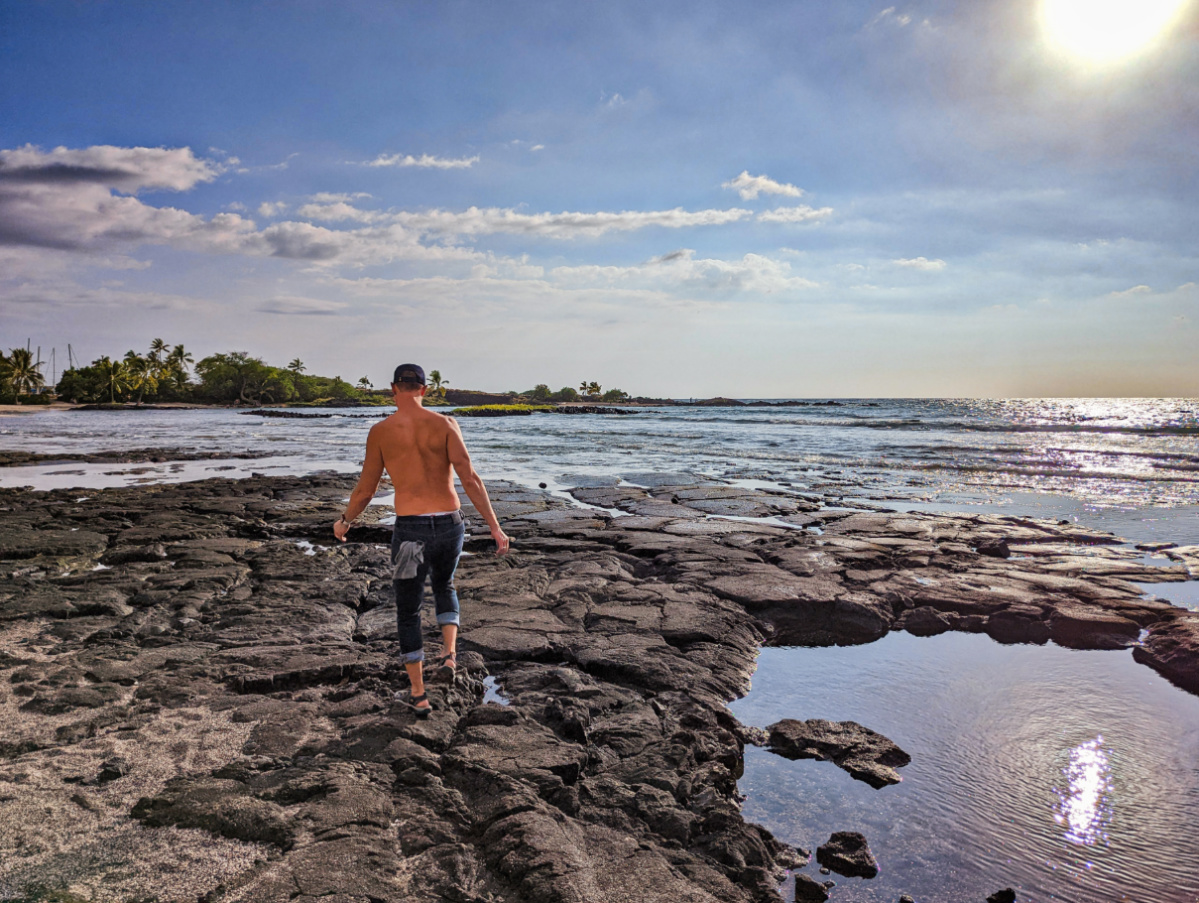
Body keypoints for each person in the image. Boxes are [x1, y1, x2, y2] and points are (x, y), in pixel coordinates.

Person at [334, 363, 509, 717]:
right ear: (424, 390)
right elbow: (470, 479)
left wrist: (344, 521)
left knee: (409, 609)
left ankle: (419, 694)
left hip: (411, 532)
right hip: (449, 526)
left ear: (393, 389)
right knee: (445, 586)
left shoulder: (381, 431)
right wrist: (495, 526)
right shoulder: (446, 424)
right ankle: (449, 655)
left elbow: (366, 489)